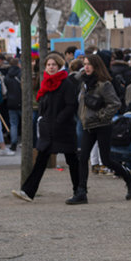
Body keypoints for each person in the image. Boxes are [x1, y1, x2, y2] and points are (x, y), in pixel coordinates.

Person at [71, 54, 131, 204]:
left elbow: (115, 103)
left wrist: (101, 116)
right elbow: (72, 80)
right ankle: (81, 192)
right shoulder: (84, 83)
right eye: (85, 64)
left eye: (90, 64)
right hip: (88, 126)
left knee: (106, 160)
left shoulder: (103, 84)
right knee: (82, 158)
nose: (87, 67)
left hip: (102, 126)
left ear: (97, 66)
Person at [11, 53, 80, 202]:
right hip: (48, 129)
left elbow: (71, 105)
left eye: (54, 65)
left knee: (72, 160)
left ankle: (80, 191)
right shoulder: (46, 82)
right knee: (41, 160)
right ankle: (28, 191)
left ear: (59, 66)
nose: (51, 67)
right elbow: (43, 102)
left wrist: (59, 120)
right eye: (49, 65)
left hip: (64, 129)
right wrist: (43, 118)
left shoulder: (66, 83)